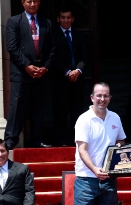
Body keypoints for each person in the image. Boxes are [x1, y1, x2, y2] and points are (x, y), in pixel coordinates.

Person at [58, 82, 126, 205]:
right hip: (87, 179)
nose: (102, 99)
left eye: (105, 96)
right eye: (99, 96)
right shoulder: (84, 119)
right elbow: (82, 149)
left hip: (109, 179)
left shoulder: (115, 118)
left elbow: (121, 140)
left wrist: (119, 152)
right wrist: (95, 169)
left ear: (110, 98)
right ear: (92, 98)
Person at [4, 0, 55, 149]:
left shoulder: (47, 23)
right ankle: (10, 140)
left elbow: (52, 48)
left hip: (40, 73)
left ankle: (37, 140)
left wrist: (45, 67)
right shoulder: (14, 21)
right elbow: (12, 47)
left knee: (38, 108)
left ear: (39, 2)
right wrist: (26, 66)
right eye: (29, 1)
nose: (32, 4)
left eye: (35, 1)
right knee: (17, 108)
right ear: (23, 3)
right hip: (21, 73)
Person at [51, 5, 88, 146]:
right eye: (63, 17)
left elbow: (85, 57)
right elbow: (53, 57)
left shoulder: (80, 35)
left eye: (68, 17)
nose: (66, 20)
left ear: (72, 19)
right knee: (60, 112)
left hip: (77, 80)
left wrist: (77, 71)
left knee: (77, 112)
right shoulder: (53, 35)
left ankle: (76, 140)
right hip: (60, 79)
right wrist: (67, 72)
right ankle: (61, 141)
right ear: (58, 19)